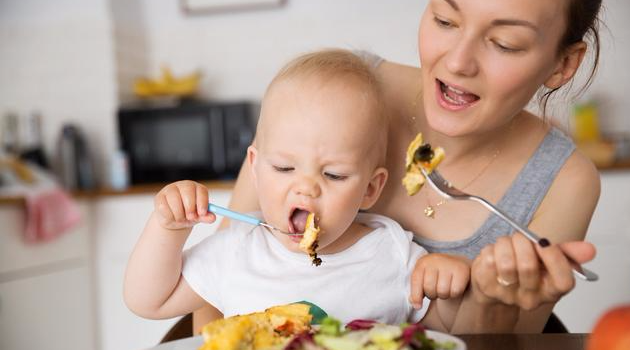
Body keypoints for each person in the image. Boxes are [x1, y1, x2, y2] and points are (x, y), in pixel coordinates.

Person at [194, 0, 605, 333]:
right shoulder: (334, 92)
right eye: (444, 19)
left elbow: (503, 341)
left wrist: (489, 300)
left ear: (563, 64)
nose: (458, 62)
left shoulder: (563, 181)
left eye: (505, 43)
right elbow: (216, 289)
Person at [123, 49, 475, 330]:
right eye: (284, 168)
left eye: (334, 175)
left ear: (370, 188)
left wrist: (447, 286)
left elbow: (440, 334)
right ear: (256, 169)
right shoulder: (237, 249)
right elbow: (147, 301)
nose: (306, 188)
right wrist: (168, 227)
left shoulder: (394, 255)